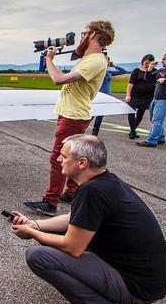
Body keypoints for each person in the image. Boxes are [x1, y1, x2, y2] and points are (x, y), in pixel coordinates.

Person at [7, 134, 166, 304]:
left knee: (38, 256)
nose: (58, 160)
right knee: (69, 234)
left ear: (82, 163)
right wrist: (35, 223)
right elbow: (74, 218)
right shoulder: (105, 181)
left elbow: (72, 246)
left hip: (136, 287)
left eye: (64, 156)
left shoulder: (92, 191)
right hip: (145, 279)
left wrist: (32, 233)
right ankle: (106, 302)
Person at [23, 20, 114, 215]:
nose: (81, 37)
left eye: (85, 33)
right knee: (72, 156)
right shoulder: (90, 59)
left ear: (93, 35)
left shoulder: (96, 61)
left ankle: (50, 202)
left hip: (73, 116)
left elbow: (58, 79)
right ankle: (71, 192)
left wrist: (49, 59)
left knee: (59, 158)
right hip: (72, 114)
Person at [90, 56, 128, 136]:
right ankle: (83, 128)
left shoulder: (109, 72)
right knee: (92, 114)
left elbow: (124, 72)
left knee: (100, 116)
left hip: (107, 96)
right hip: (99, 95)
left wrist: (114, 66)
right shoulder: (98, 72)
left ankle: (95, 133)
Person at [125, 54, 158, 139]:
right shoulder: (136, 71)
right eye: (146, 63)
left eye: (149, 63)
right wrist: (128, 95)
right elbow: (131, 83)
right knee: (131, 111)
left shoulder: (154, 71)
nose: (147, 65)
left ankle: (133, 129)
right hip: (135, 94)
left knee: (140, 113)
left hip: (147, 96)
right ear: (142, 62)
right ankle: (132, 130)